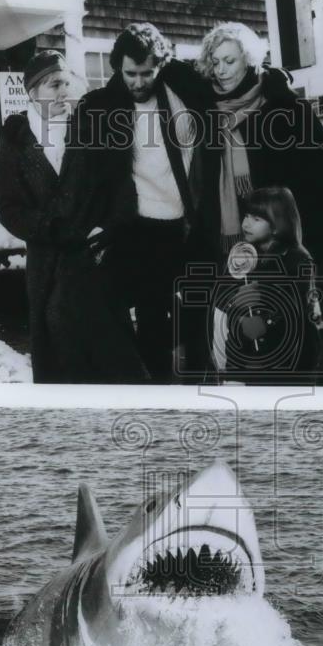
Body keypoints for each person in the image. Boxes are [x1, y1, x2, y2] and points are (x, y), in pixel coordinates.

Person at [59, 23, 216, 382]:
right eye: (131, 73)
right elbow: (84, 173)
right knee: (150, 320)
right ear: (118, 68)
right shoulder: (100, 108)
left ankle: (202, 396)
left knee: (195, 319)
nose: (139, 82)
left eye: (148, 73)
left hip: (187, 224)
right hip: (139, 228)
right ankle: (157, 397)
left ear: (161, 67)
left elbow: (233, 84)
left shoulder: (183, 93)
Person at [0, 51, 148, 383]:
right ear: (33, 94)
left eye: (66, 82)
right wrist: (48, 227)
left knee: (112, 357)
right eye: (53, 85)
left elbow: (121, 188)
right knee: (59, 355)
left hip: (95, 259)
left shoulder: (93, 132)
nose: (64, 92)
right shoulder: (13, 145)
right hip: (47, 263)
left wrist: (108, 229)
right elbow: (9, 208)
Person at [195, 22, 323, 367]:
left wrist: (320, 236)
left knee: (303, 333)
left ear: (248, 60)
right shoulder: (207, 111)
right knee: (259, 325)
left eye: (230, 61)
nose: (221, 71)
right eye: (215, 62)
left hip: (287, 235)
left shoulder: (283, 107)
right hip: (240, 234)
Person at [213, 187, 323, 385]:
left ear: (277, 225)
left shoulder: (297, 258)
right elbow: (223, 296)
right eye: (246, 215)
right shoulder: (244, 254)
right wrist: (235, 303)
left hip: (290, 355)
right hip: (247, 352)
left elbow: (298, 304)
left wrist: (266, 319)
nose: (246, 223)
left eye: (257, 219)